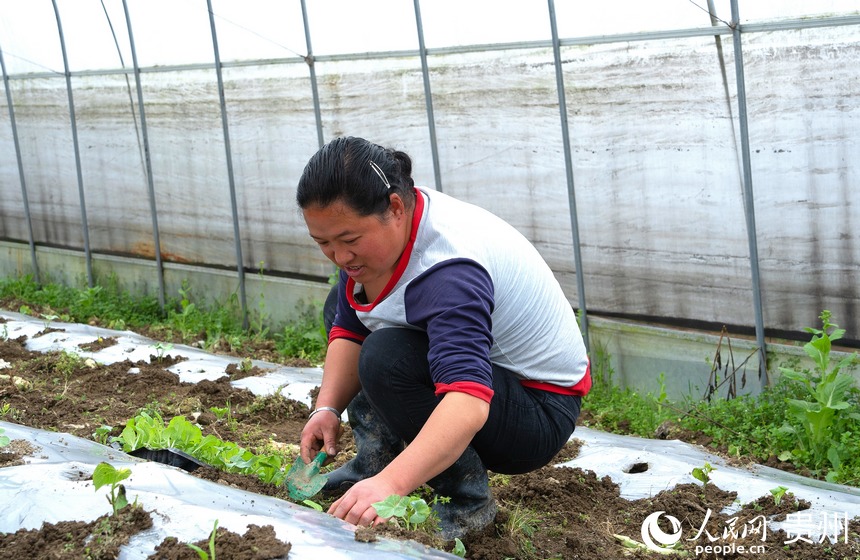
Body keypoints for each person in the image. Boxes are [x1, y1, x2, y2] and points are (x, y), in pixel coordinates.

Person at [297, 136, 590, 540]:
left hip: (536, 407)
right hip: (497, 386)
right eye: (323, 243)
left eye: (349, 240)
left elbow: (468, 402)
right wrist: (326, 409)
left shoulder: (449, 268)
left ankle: (467, 504)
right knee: (343, 302)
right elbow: (350, 327)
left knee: (388, 357)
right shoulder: (397, 228)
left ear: (395, 208)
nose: (340, 257)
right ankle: (374, 464)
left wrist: (393, 486)